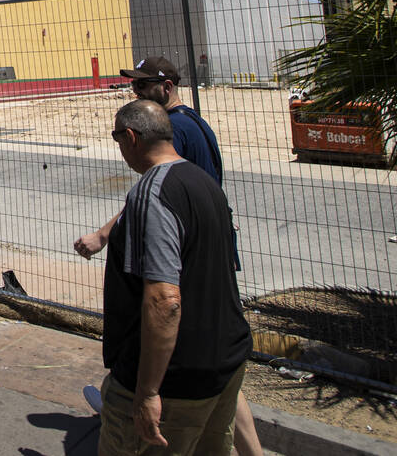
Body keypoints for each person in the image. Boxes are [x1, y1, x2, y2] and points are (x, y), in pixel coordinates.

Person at [75, 56, 262, 456]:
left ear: (131, 137)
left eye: (116, 138)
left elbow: (164, 301)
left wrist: (147, 392)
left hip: (176, 376)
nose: (138, 90)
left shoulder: (153, 194)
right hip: (223, 359)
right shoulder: (201, 181)